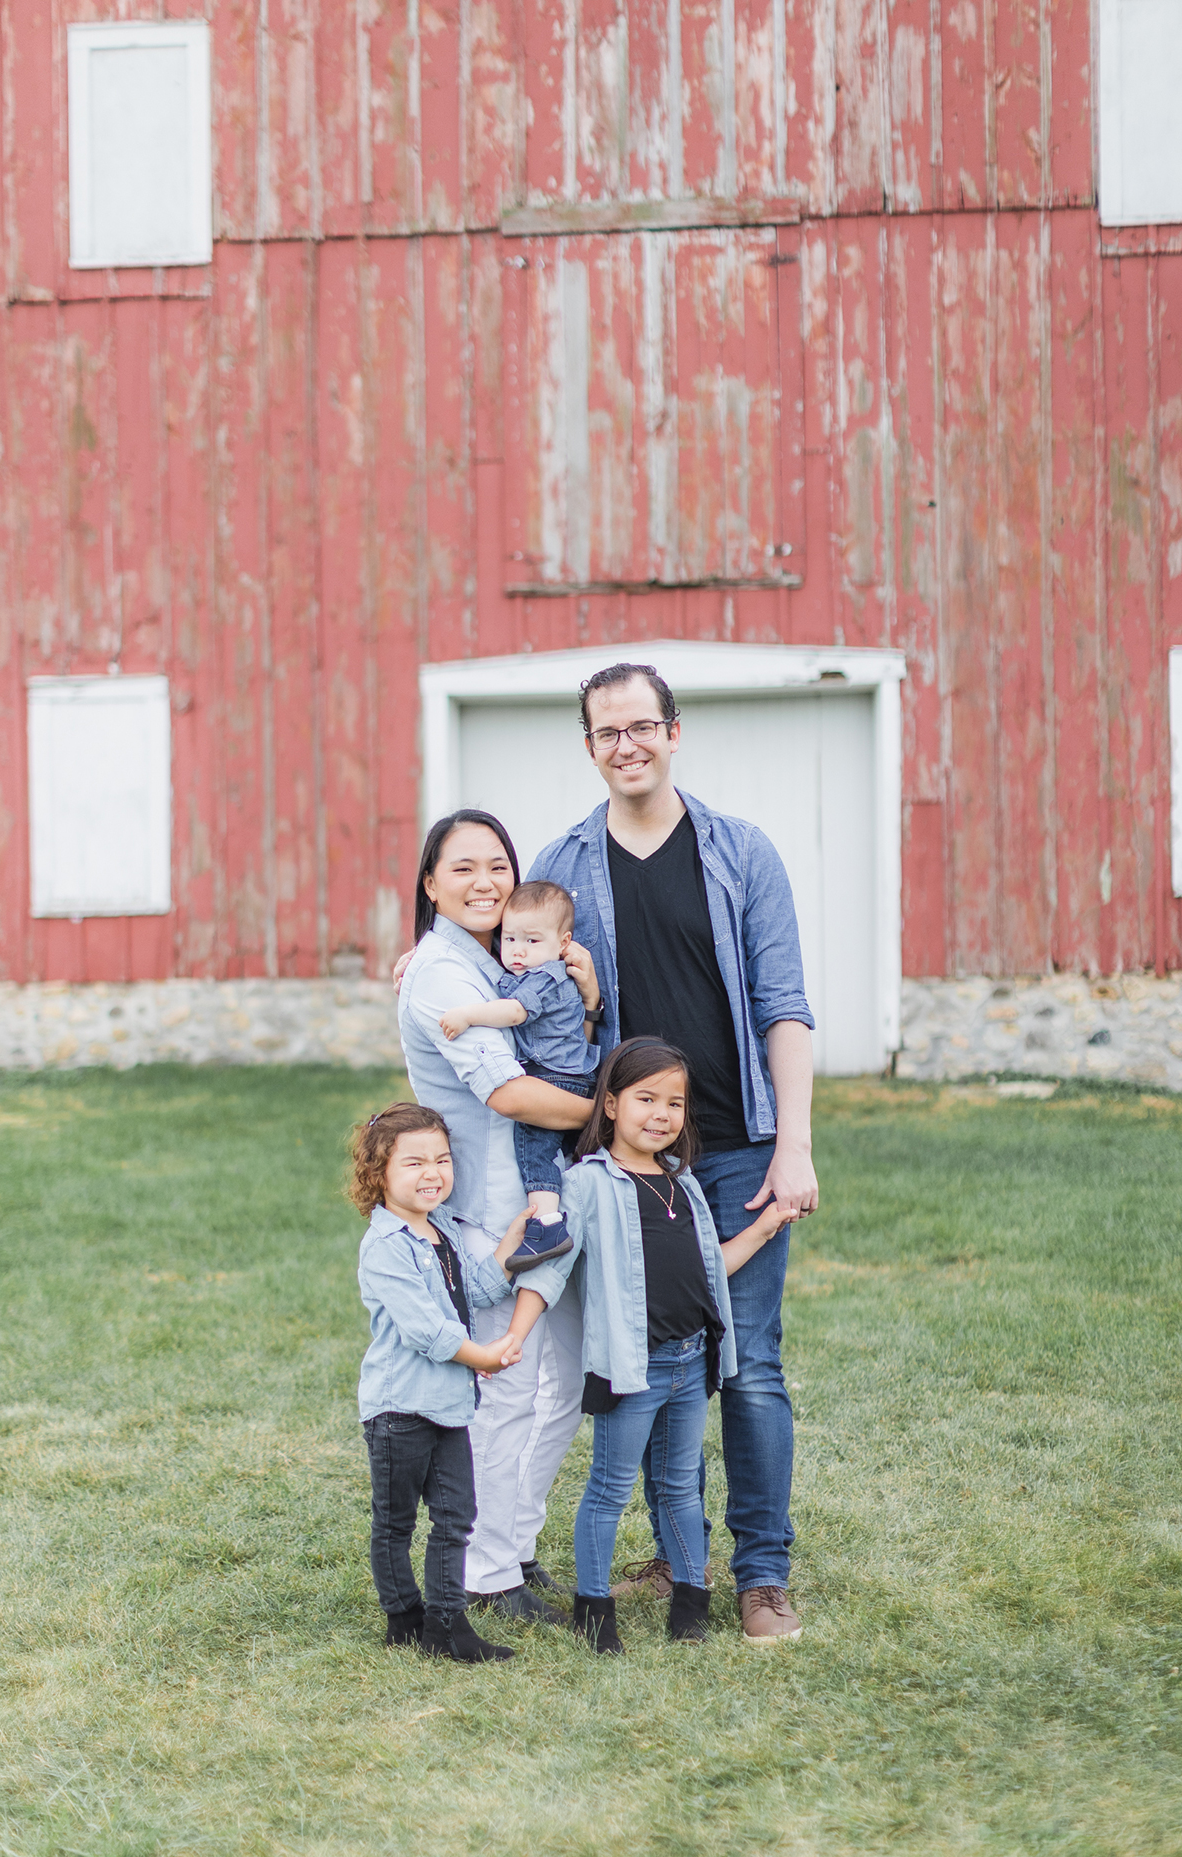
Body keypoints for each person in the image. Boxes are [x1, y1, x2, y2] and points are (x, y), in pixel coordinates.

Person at [526, 662, 819, 1644]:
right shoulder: (562, 865)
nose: (626, 745)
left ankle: (763, 1573)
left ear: (673, 732)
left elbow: (784, 1009)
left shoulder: (742, 853)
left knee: (749, 1364)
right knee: (655, 1364)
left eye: (641, 726)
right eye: (606, 732)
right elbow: (506, 952)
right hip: (629, 1164)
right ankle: (672, 1548)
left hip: (737, 1147)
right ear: (589, 747)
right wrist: (427, 949)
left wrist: (794, 1147)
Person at [535, 1039, 801, 1652]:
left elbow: (712, 1270)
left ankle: (690, 1608)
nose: (661, 1114)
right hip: (632, 1370)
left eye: (675, 1103)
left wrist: (765, 1225)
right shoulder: (587, 1185)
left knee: (682, 1485)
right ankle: (594, 1611)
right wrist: (516, 1332)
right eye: (645, 1098)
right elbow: (551, 1268)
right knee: (610, 1485)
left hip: (691, 1363)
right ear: (608, 1104)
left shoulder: (685, 1185)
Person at [393, 811, 592, 1621]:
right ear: (431, 884)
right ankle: (486, 1571)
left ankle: (516, 1541)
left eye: (498, 865)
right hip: (494, 1213)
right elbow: (506, 1092)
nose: (485, 881)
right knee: (507, 1391)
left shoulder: (499, 957)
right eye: (463, 868)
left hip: (548, 1196)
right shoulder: (442, 974)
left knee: (573, 1381)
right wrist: (607, 1111)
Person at [348, 1102, 535, 1663]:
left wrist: (509, 1247)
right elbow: (426, 1330)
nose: (433, 1173)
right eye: (414, 1163)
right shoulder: (384, 1247)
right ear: (379, 1173)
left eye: (442, 1159)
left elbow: (471, 1293)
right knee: (395, 1520)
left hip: (451, 1408)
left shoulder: (444, 1230)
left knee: (456, 1517)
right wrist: (484, 1356)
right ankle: (403, 1617)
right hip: (398, 1409)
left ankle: (447, 1625)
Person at [433, 878, 598, 1270]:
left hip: (556, 1077)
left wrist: (467, 1014)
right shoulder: (530, 969)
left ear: (563, 944)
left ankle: (547, 1226)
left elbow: (513, 1012)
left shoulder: (546, 978)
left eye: (531, 941)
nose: (517, 951)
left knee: (534, 1147)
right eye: (509, 939)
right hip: (566, 1071)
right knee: (561, 1153)